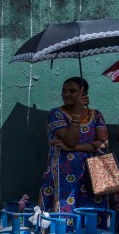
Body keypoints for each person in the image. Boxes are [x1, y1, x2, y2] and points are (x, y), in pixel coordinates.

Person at [38, 77, 109, 213]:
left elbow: (103, 143)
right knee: (64, 216)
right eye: (64, 91)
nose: (67, 94)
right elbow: (70, 139)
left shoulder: (96, 115)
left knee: (91, 217)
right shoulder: (55, 114)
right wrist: (77, 112)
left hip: (92, 176)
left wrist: (74, 148)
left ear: (84, 94)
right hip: (63, 177)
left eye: (73, 91)